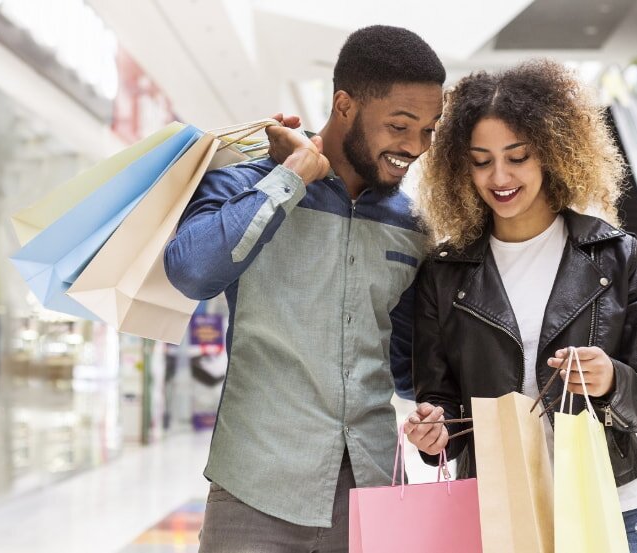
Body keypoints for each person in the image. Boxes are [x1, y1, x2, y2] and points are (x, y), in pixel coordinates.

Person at [164, 25, 445, 553]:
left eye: (429, 129)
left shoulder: (415, 225)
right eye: (400, 126)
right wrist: (291, 177)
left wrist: (436, 408)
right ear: (344, 105)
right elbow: (191, 272)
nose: (415, 147)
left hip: (374, 493)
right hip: (254, 493)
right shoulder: (245, 184)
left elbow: (406, 368)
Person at [405, 59, 637, 553]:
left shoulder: (615, 256)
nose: (499, 176)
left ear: (551, 153)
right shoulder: (444, 274)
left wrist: (612, 379)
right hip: (498, 510)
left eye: (518, 156)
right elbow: (440, 405)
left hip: (608, 503)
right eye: (481, 160)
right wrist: (432, 433)